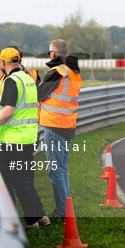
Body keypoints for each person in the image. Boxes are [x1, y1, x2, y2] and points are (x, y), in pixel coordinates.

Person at [0, 47, 50, 228]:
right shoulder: (27, 78)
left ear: (4, 62)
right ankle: (39, 215)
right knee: (20, 177)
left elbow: (8, 111)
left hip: (13, 139)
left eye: (0, 61)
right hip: (28, 137)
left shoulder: (11, 81)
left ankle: (32, 220)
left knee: (18, 179)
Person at [37, 39, 82, 219]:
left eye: (49, 52)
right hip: (68, 125)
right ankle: (66, 208)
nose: (49, 55)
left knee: (56, 171)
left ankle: (63, 212)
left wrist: (36, 81)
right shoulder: (74, 72)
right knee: (62, 169)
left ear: (54, 54)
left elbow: (39, 95)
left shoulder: (56, 72)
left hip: (54, 126)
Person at [0, 45, 40, 115]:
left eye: (0, 61)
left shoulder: (32, 74)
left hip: (16, 120)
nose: (0, 64)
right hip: (1, 118)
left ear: (4, 62)